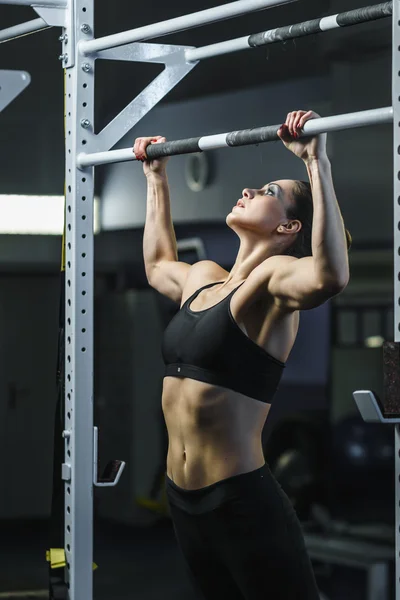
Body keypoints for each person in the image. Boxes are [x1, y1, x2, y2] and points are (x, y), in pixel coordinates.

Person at [133, 109, 351, 600]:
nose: (250, 191)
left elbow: (329, 276)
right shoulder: (204, 275)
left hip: (240, 500)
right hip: (182, 500)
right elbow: (157, 264)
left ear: (289, 227)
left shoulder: (272, 285)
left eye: (269, 192)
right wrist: (155, 178)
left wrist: (317, 162)